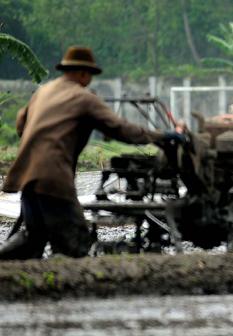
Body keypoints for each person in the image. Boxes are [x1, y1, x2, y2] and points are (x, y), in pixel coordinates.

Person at [0, 46, 185, 260]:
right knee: (76, 241)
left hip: (27, 176)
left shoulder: (43, 92)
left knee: (35, 238)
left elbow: (21, 125)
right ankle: (68, 283)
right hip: (53, 177)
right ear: (83, 73)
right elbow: (121, 129)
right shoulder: (84, 98)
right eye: (89, 75)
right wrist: (161, 136)